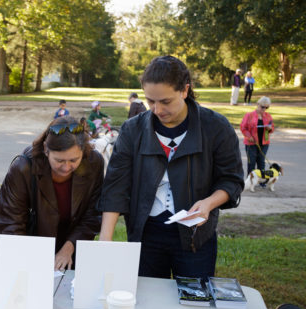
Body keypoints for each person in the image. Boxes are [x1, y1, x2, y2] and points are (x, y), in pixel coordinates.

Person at [98, 55, 244, 280]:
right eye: (150, 101)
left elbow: (231, 179)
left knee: (194, 304)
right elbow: (116, 186)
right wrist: (105, 243)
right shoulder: (132, 130)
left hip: (196, 238)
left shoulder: (216, 127)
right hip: (145, 236)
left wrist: (208, 203)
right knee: (145, 303)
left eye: (165, 102)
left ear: (185, 90)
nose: (157, 110)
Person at [0, 115, 104, 309]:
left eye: (74, 160)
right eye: (59, 161)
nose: (67, 167)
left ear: (84, 152)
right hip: (26, 239)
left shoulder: (95, 163)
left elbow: (93, 213)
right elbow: (9, 221)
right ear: (46, 151)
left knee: (62, 301)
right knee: (27, 300)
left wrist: (69, 248)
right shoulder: (23, 167)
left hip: (68, 238)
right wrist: (29, 262)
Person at [240, 96, 274, 176]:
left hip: (264, 143)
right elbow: (243, 127)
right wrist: (249, 136)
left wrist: (269, 128)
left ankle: (261, 180)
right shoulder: (249, 115)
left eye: (266, 107)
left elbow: (272, 128)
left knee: (261, 161)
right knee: (251, 162)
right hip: (251, 143)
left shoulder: (268, 116)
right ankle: (250, 181)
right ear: (258, 104)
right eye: (262, 107)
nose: (264, 109)